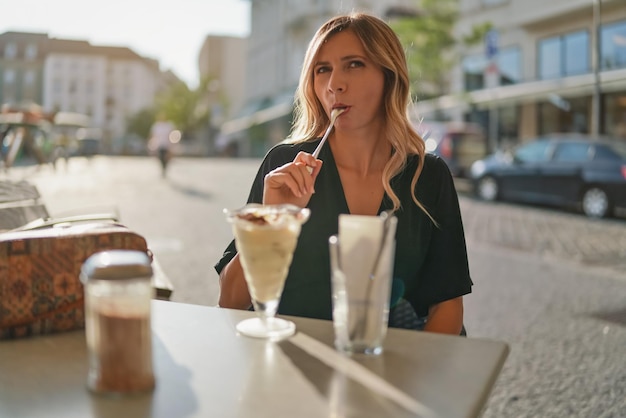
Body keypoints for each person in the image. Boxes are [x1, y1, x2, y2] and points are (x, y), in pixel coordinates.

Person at [215, 12, 472, 335]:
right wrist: (273, 217)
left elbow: (447, 306)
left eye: (354, 64)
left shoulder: (428, 175)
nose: (335, 83)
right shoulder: (284, 164)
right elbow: (230, 300)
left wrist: (409, 382)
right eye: (323, 70)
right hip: (294, 363)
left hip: (396, 368)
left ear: (388, 76)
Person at [149, 113, 175, 177]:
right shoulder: (156, 126)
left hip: (167, 144)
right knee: (160, 157)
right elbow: (152, 135)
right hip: (159, 144)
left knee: (166, 158)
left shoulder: (169, 125)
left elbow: (172, 135)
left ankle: (164, 169)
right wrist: (151, 144)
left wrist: (172, 144)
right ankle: (163, 169)